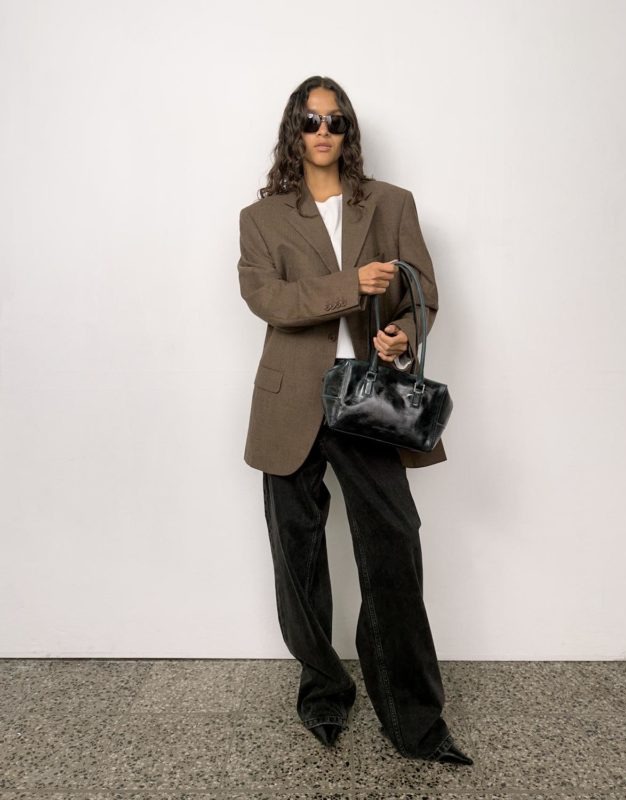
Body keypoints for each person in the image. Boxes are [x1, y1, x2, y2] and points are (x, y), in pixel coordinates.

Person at [236, 75, 472, 766]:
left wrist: (399, 335)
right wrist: (351, 285)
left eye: (335, 120)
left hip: (368, 399)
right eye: (311, 120)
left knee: (394, 547)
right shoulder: (261, 217)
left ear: (349, 131)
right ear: (294, 130)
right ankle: (324, 693)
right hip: (290, 402)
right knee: (298, 559)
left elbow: (422, 293)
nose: (323, 131)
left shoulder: (391, 203)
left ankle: (415, 720)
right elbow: (268, 299)